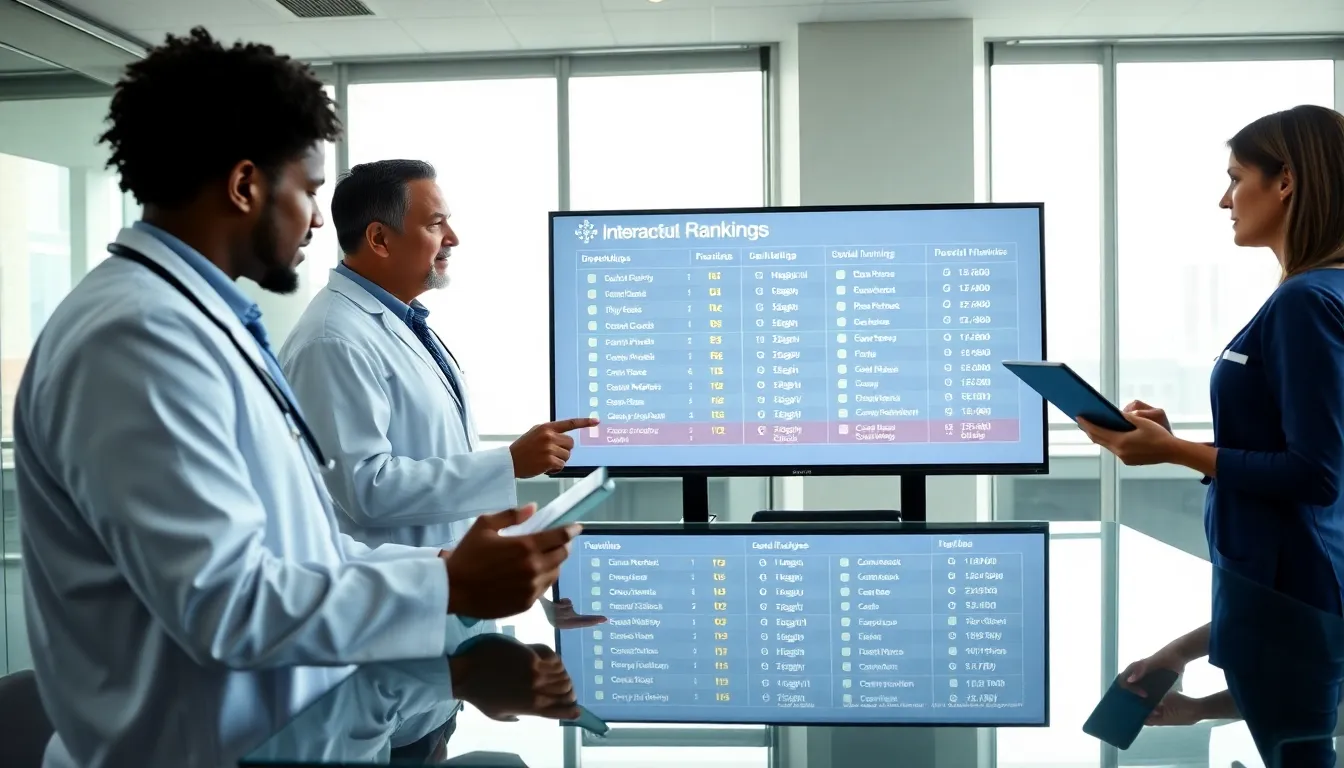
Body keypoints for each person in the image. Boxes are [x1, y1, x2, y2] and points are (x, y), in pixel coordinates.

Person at [13, 29, 576, 768]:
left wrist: (447, 576)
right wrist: (444, 582)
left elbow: (302, 550)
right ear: (246, 186)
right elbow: (224, 604)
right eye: (309, 190)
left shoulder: (194, 322)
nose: (317, 219)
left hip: (290, 727)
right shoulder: (138, 337)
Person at [1079, 104, 1344, 767]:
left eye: (1235, 178)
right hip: (1286, 616)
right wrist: (1185, 668)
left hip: (1299, 612)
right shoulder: (1314, 295)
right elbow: (1287, 479)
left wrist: (1171, 451)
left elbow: (1315, 477)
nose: (1224, 200)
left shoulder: (1306, 302)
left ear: (1286, 181)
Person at [278, 159, 602, 628]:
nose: (453, 237)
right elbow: (364, 489)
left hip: (445, 596)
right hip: (396, 607)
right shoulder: (333, 339)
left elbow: (432, 454)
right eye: (435, 224)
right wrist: (509, 462)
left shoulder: (403, 321)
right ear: (380, 239)